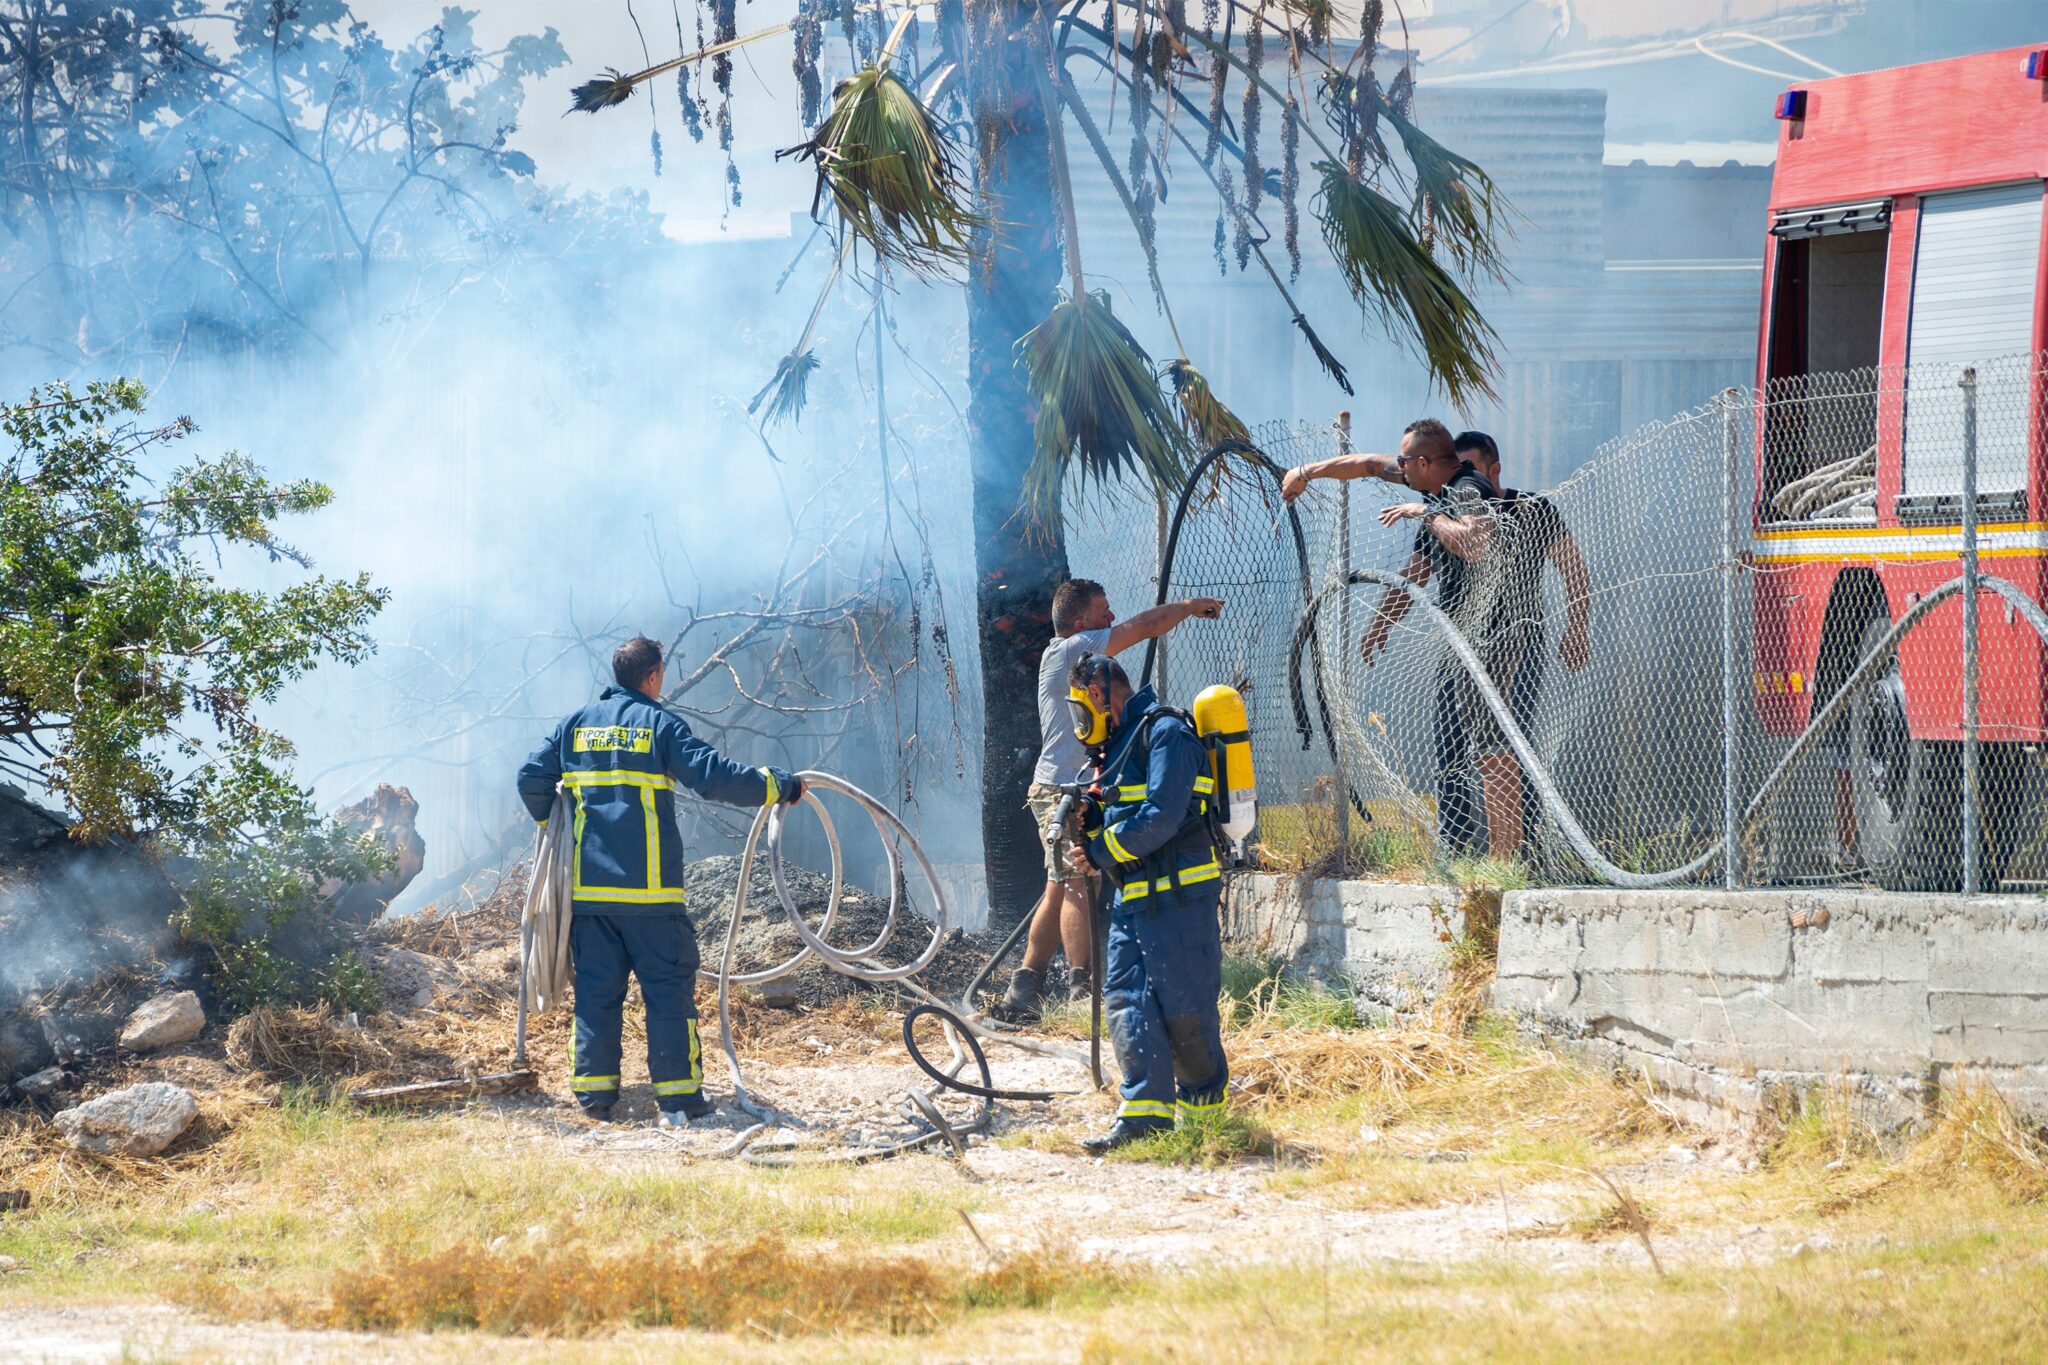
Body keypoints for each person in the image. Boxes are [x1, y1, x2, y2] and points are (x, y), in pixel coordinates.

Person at [516, 635, 803, 1127]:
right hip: (652, 899)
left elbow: (529, 778)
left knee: (596, 996)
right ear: (653, 676)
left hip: (591, 900)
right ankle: (679, 1099)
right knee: (668, 994)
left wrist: (553, 822)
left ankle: (595, 1098)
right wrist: (779, 785)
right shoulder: (660, 725)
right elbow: (713, 776)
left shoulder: (575, 726)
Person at [1000, 578, 1225, 1015]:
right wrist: (1188, 606)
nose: (1112, 618)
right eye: (1103, 612)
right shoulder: (1074, 648)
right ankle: (1080, 992)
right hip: (1063, 787)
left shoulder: (1066, 653)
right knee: (1081, 882)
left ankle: (1025, 987)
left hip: (1067, 785)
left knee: (1060, 885)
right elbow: (1144, 626)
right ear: (1081, 623)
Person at [1283, 418, 1497, 854]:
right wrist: (1306, 472)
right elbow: (1367, 464)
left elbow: (1475, 546)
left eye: (1405, 461)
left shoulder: (1466, 489)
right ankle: (1457, 848)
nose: (1399, 468)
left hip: (1494, 641)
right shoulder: (1436, 491)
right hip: (1460, 642)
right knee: (1451, 743)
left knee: (1493, 753)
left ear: (1424, 463)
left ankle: (1493, 852)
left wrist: (1427, 513)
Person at [1064, 652, 1228, 1152]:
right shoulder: (1120, 745)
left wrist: (1098, 851)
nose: (1080, 721)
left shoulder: (1166, 733)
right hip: (1134, 897)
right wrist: (1093, 817)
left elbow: (1160, 816)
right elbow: (1127, 809)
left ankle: (1205, 1122)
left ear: (1098, 693)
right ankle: (1144, 1117)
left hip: (1180, 895)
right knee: (1126, 1000)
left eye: (1082, 706)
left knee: (1183, 1005)